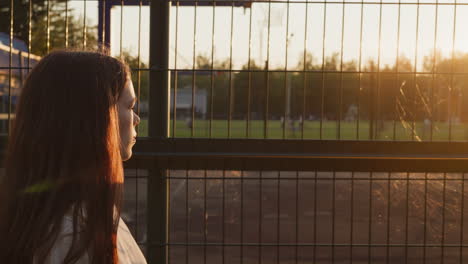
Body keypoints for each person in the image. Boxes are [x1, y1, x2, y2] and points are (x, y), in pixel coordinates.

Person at [0, 50, 145, 264]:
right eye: (130, 106)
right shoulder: (70, 237)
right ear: (96, 117)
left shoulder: (77, 218)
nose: (137, 119)